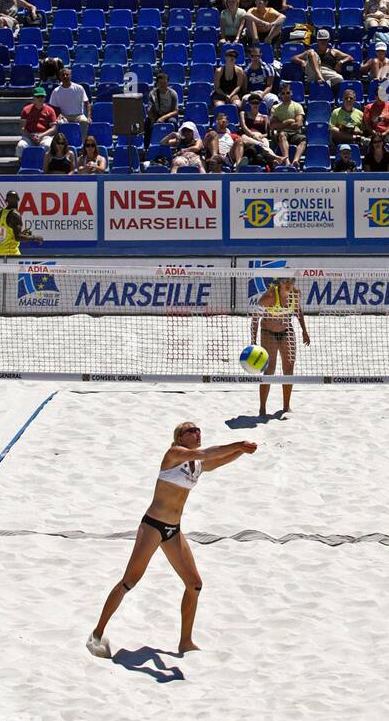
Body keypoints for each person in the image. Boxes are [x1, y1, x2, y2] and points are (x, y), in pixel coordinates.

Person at [87, 423, 257, 658]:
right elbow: (208, 453)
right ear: (179, 437)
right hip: (152, 526)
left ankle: (185, 642)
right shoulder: (174, 454)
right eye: (191, 430)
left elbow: (216, 461)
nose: (197, 432)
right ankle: (97, 633)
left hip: (173, 530)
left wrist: (241, 452)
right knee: (129, 581)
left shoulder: (196, 465)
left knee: (194, 584)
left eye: (198, 429)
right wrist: (238, 444)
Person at [252, 278, 310, 417]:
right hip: (268, 332)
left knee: (289, 369)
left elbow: (297, 310)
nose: (289, 284)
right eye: (285, 281)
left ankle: (286, 406)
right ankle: (262, 409)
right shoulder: (270, 296)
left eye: (291, 280)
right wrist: (253, 340)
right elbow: (255, 318)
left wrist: (304, 331)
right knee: (269, 371)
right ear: (279, 283)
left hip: (287, 331)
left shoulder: (295, 294)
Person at [269, 82, 306, 167]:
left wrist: (281, 124)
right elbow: (273, 125)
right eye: (283, 93)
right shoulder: (275, 108)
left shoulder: (297, 106)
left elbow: (299, 124)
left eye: (288, 93)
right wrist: (288, 121)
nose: (286, 95)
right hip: (282, 134)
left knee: (303, 140)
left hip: (295, 133)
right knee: (282, 134)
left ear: (291, 93)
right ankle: (287, 160)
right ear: (280, 95)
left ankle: (296, 160)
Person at [0, 189, 41, 256]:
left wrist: (21, 234)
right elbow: (18, 238)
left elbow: (2, 234)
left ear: (6, 201)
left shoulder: (1, 213)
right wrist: (34, 237)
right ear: (18, 199)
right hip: (10, 252)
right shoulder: (15, 214)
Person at [16, 86, 58, 157]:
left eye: (42, 96)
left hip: (45, 135)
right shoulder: (26, 110)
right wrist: (31, 136)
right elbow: (22, 128)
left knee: (47, 145)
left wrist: (41, 135)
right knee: (21, 146)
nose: (40, 98)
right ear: (34, 97)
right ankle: (22, 164)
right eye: (38, 96)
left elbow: (53, 128)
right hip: (30, 135)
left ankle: (45, 165)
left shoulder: (50, 110)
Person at [48, 66, 90, 131]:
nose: (65, 76)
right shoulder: (56, 91)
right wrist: (58, 115)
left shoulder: (79, 88)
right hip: (64, 116)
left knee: (84, 121)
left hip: (79, 115)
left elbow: (87, 103)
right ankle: (64, 141)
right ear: (60, 77)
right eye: (63, 75)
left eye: (67, 75)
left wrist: (89, 117)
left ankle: (82, 141)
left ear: (70, 76)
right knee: (59, 123)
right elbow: (53, 107)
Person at [145, 71, 179, 142]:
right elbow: (150, 110)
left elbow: (175, 111)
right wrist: (152, 116)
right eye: (160, 83)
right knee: (148, 122)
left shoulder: (173, 94)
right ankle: (148, 145)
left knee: (173, 122)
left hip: (168, 116)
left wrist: (163, 118)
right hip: (156, 115)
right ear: (157, 83)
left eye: (164, 83)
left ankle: (176, 142)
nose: (162, 85)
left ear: (168, 83)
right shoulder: (152, 94)